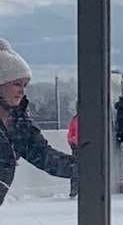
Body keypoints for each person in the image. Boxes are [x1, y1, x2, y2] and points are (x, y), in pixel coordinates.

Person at [0, 40, 75, 207]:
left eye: (25, 85)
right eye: (16, 84)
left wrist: (84, 167)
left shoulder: (19, 124)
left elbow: (45, 157)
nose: (22, 91)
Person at [67, 106, 79, 198]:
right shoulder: (75, 119)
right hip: (76, 147)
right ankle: (74, 190)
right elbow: (70, 133)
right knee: (75, 169)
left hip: (83, 146)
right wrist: (72, 141)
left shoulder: (76, 119)